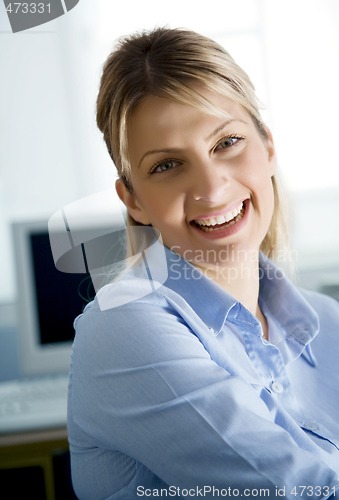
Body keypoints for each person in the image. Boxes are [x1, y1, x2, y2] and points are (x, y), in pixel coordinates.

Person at [67, 28, 339, 499]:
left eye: (227, 142)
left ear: (268, 148)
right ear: (132, 199)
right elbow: (298, 490)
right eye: (167, 166)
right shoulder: (121, 329)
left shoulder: (327, 321)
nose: (211, 190)